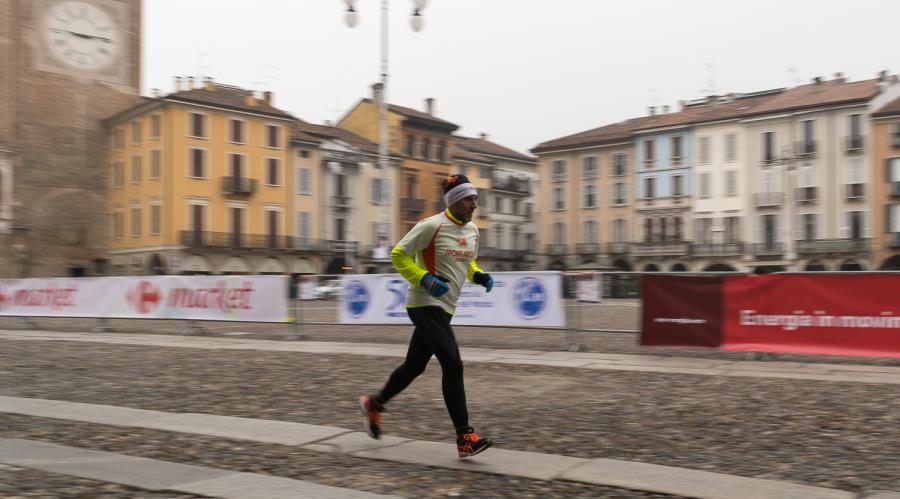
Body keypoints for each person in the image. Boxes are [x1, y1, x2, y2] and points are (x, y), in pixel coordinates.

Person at [358, 174, 494, 459]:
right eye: (469, 199)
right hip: (423, 304)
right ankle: (465, 437)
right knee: (453, 364)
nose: (474, 205)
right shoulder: (430, 226)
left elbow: (467, 262)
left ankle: (374, 403)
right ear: (454, 200)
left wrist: (478, 275)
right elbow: (399, 254)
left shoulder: (473, 232)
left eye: (475, 199)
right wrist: (424, 278)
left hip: (445, 309)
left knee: (413, 366)